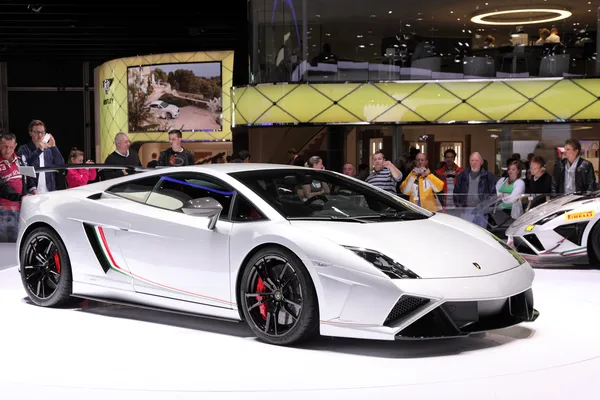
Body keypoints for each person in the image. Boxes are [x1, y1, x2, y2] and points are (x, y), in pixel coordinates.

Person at [17, 119, 65, 193]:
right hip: (32, 191)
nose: (40, 135)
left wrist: (54, 147)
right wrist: (39, 150)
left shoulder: (48, 150)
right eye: (36, 132)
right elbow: (26, 166)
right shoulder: (23, 149)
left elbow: (61, 164)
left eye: (42, 132)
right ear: (30, 133)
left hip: (49, 191)